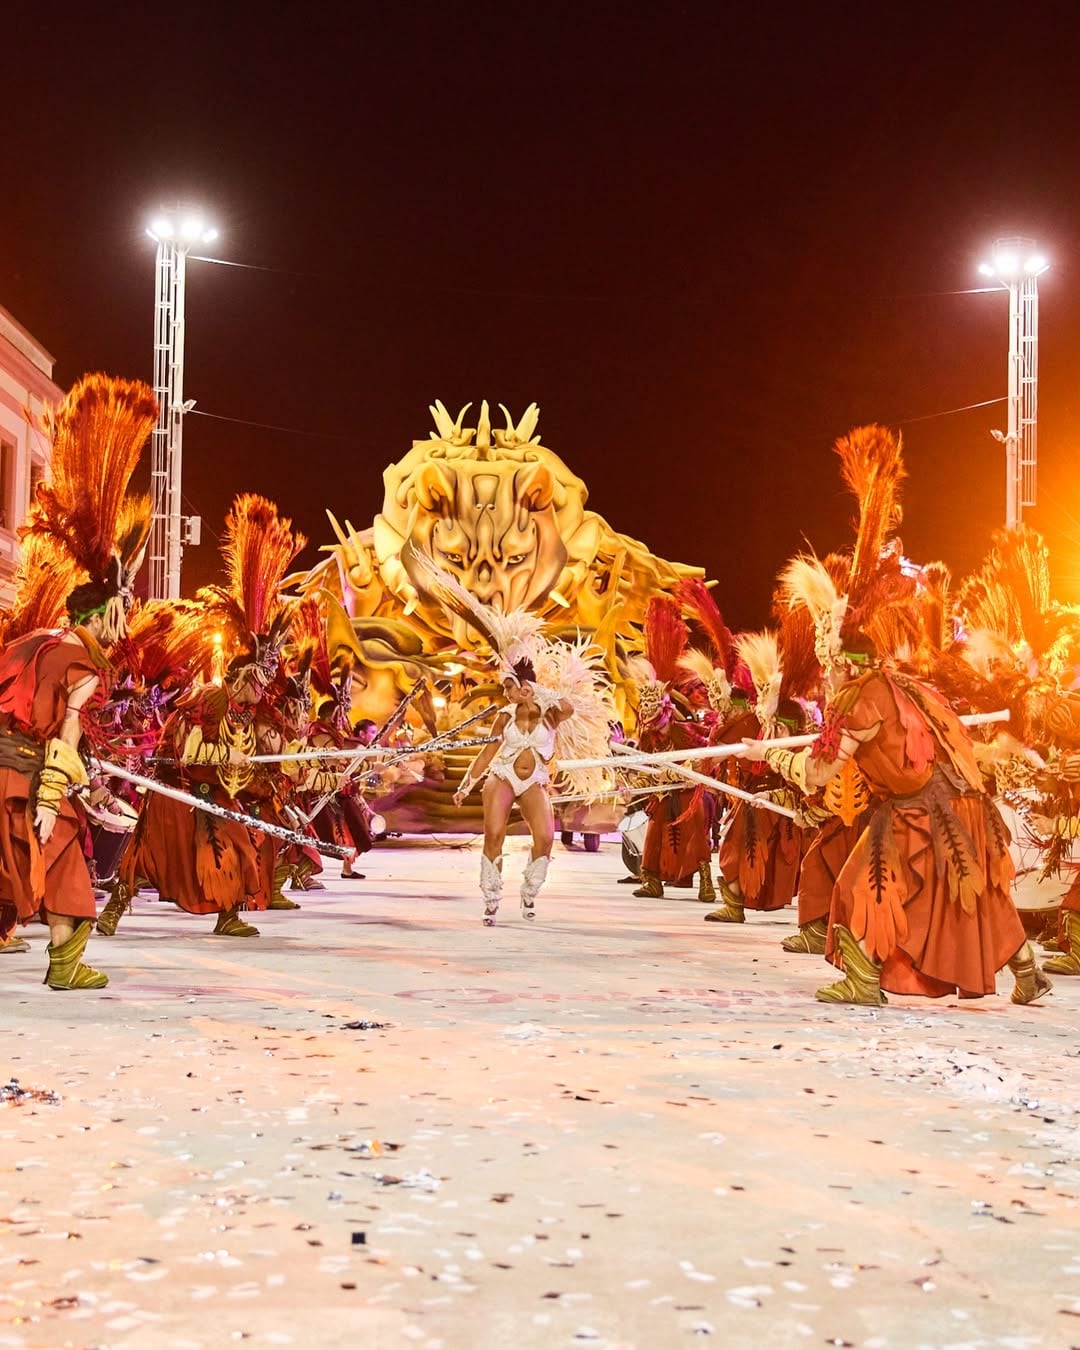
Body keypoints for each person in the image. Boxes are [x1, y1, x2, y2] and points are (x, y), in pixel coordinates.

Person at [454, 656, 574, 924]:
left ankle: (529, 891)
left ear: (524, 685)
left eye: (510, 687)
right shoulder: (504, 716)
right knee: (494, 834)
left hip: (534, 779)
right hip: (504, 774)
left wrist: (538, 691)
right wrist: (466, 785)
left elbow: (569, 708)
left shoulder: (549, 714)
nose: (506, 694)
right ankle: (491, 899)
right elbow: (487, 754)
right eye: (505, 688)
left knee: (545, 837)